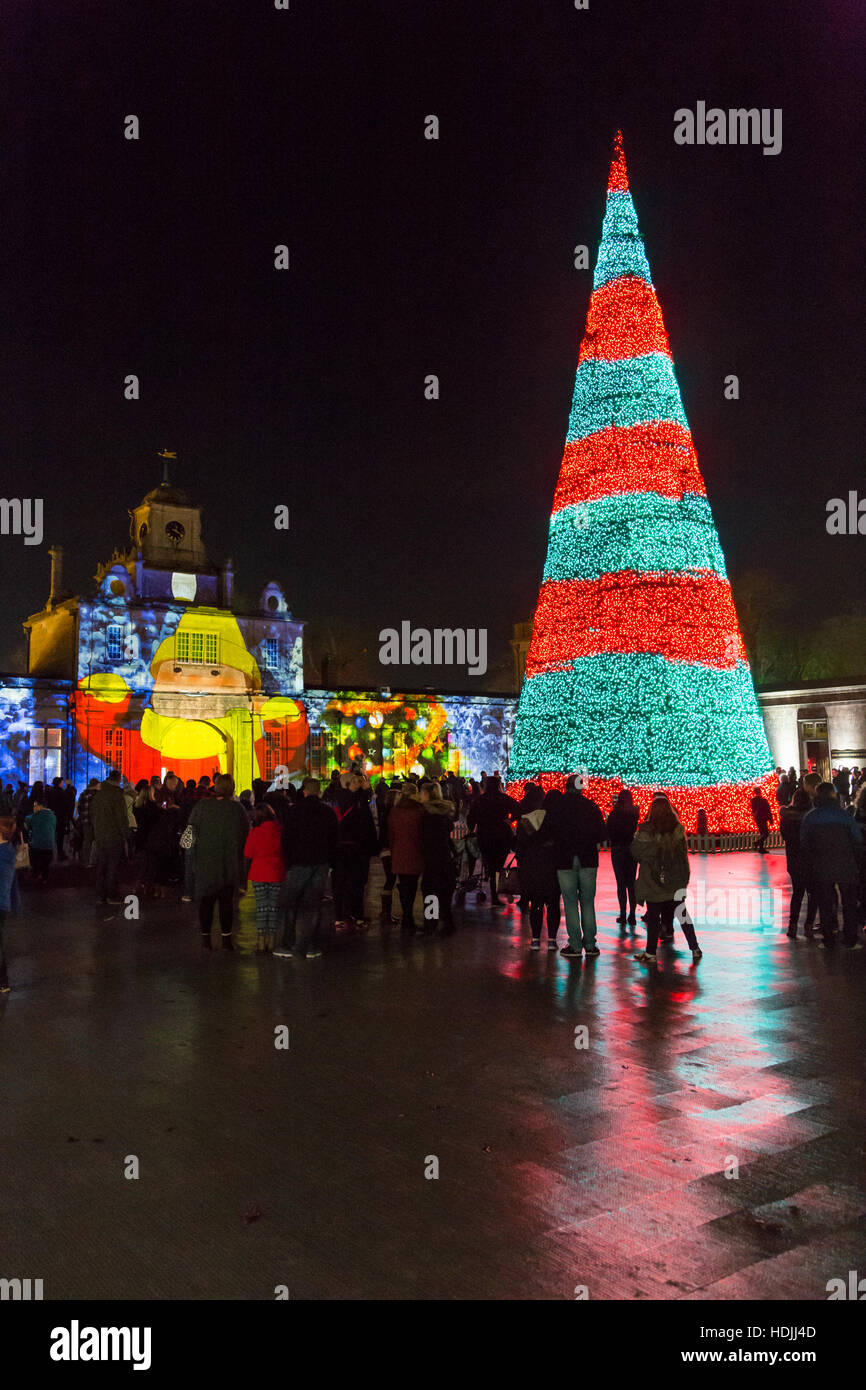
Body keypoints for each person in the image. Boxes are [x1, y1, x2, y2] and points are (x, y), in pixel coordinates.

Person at [631, 795, 702, 964]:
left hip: (653, 881)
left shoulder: (646, 831)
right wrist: (684, 878)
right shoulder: (678, 830)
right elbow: (683, 857)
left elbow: (636, 852)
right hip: (675, 880)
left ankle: (650, 952)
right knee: (682, 914)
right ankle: (695, 947)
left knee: (654, 917)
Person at [274, 777, 339, 960]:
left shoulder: (294, 811)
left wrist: (288, 862)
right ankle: (311, 945)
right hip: (320, 862)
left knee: (290, 903)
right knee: (313, 905)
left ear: (304, 791)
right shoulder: (327, 812)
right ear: (318, 792)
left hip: (298, 862)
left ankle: (287, 943)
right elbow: (334, 839)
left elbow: (286, 839)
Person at [546, 775, 606, 959]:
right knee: (587, 902)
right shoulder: (591, 807)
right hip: (587, 858)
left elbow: (549, 831)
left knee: (570, 902)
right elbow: (602, 833)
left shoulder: (557, 808)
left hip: (564, 859)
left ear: (566, 787)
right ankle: (590, 944)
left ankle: (574, 944)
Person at [187, 774, 250, 949]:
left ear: (215, 787)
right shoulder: (237, 809)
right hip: (229, 865)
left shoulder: (201, 807)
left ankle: (206, 939)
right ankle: (226, 939)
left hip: (206, 864)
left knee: (206, 903)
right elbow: (246, 835)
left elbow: (188, 836)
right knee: (226, 903)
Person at [800, 783, 863, 950]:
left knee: (825, 903)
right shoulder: (844, 816)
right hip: (846, 865)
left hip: (821, 866)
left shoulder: (811, 817)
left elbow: (804, 843)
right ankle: (850, 938)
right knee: (849, 902)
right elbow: (857, 840)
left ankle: (828, 939)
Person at [516, 784, 560, 950]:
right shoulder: (558, 820)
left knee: (536, 903)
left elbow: (520, 845)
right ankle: (552, 940)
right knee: (553, 903)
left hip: (533, 865)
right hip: (553, 866)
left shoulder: (530, 818)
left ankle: (535, 939)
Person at [467, 778, 519, 906]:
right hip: (502, 834)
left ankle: (490, 880)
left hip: (485, 834)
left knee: (489, 861)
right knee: (498, 865)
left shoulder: (480, 800)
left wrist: (472, 829)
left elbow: (471, 817)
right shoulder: (504, 798)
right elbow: (518, 809)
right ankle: (495, 891)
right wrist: (510, 819)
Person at [244, 804, 285, 952]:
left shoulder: (255, 832)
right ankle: (272, 939)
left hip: (259, 873)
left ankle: (261, 941)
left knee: (261, 907)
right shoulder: (280, 831)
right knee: (273, 907)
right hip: (276, 872)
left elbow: (248, 853)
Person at [419, 780, 456, 933]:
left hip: (431, 856)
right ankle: (447, 920)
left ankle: (431, 921)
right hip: (444, 855)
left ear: (427, 794)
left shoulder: (426, 814)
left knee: (429, 889)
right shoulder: (444, 813)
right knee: (444, 890)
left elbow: (424, 837)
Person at [388, 784, 425, 932]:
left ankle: (407, 916)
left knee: (404, 886)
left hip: (399, 853)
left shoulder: (395, 811)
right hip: (415, 853)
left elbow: (391, 835)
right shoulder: (419, 811)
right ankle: (429, 919)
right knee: (414, 886)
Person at [90, 769, 130, 905]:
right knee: (113, 866)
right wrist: (126, 834)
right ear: (118, 780)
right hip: (114, 835)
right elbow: (121, 817)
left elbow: (93, 815)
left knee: (101, 865)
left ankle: (101, 895)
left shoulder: (98, 795)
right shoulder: (116, 795)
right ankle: (111, 895)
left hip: (100, 834)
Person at [779, 789, 814, 938]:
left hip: (793, 858)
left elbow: (785, 835)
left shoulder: (787, 816)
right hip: (810, 859)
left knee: (797, 894)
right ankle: (809, 925)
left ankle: (792, 925)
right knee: (813, 894)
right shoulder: (811, 816)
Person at [606, 789, 639, 929]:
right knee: (631, 883)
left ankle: (623, 914)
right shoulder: (634, 813)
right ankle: (632, 914)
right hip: (631, 849)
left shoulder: (615, 813)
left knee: (621, 883)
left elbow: (608, 831)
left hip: (618, 849)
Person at [0, 816, 21, 992]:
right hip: (4, 904)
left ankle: (3, 980)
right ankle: (3, 981)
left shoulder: (3, 854)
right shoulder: (8, 851)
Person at [26, 795, 57, 885]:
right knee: (46, 862)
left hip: (37, 844)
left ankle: (37, 874)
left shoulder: (33, 816)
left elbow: (28, 827)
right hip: (49, 844)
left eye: (35, 806)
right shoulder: (53, 816)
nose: (34, 808)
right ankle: (44, 877)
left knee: (35, 858)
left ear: (40, 806)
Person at [75, 778, 101, 866]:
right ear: (97, 785)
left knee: (87, 841)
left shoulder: (83, 794)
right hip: (96, 821)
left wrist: (82, 817)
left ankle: (85, 860)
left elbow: (79, 808)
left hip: (85, 821)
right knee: (97, 841)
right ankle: (94, 860)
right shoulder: (98, 794)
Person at [750, 787, 774, 853]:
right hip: (763, 818)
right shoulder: (763, 800)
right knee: (766, 834)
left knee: (762, 833)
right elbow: (768, 810)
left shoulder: (752, 800)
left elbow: (753, 810)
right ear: (760, 791)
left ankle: (761, 848)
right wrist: (770, 819)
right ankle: (757, 843)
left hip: (757, 818)